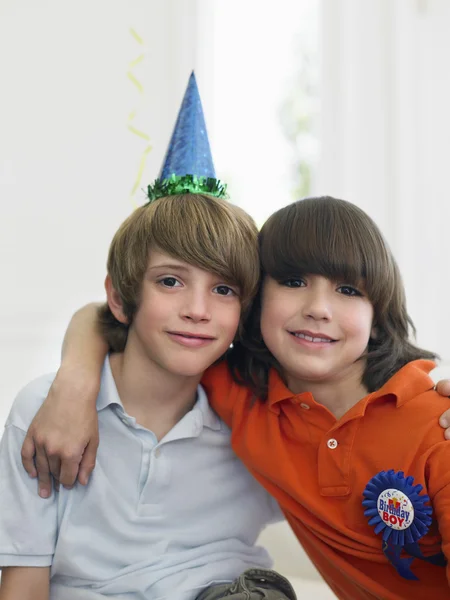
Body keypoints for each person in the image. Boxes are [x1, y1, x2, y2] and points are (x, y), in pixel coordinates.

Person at [25, 196, 450, 599]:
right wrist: (73, 387)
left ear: (378, 318)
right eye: (293, 281)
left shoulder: (437, 427)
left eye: (349, 291)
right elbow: (110, 317)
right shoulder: (240, 390)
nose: (319, 308)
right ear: (256, 304)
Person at [0, 74, 297, 600]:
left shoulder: (259, 420)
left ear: (245, 312)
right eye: (170, 281)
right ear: (120, 296)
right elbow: (23, 583)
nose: (198, 311)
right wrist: (73, 383)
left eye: (224, 289)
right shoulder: (47, 412)